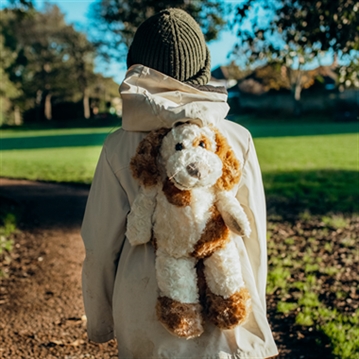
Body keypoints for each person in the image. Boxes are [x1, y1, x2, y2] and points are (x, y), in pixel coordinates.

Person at [81, 8, 278, 359]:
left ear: (136, 68)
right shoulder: (235, 138)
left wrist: (102, 321)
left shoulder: (117, 145)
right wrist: (255, 309)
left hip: (142, 310)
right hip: (224, 312)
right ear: (202, 70)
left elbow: (99, 244)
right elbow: (254, 238)